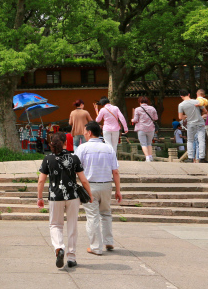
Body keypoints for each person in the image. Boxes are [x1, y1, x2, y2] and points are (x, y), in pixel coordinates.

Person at [35, 132, 93, 269]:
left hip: (55, 196)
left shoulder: (48, 159)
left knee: (55, 224)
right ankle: (71, 257)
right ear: (66, 143)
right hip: (72, 197)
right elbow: (83, 180)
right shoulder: (74, 157)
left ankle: (59, 247)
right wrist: (90, 195)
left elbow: (41, 180)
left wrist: (39, 198)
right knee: (72, 225)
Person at [74, 121, 122, 256]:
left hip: (89, 186)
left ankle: (95, 247)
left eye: (84, 132)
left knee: (92, 216)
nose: (84, 134)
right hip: (106, 185)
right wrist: (118, 190)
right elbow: (116, 172)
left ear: (89, 133)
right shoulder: (109, 148)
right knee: (106, 213)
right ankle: (108, 241)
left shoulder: (82, 149)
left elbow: (75, 169)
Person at [177, 90, 205, 163]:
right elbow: (205, 111)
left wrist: (186, 116)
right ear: (189, 94)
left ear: (181, 96)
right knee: (201, 140)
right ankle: (201, 157)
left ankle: (190, 157)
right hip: (200, 123)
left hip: (190, 124)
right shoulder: (196, 102)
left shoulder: (181, 105)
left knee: (190, 140)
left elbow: (180, 117)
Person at [130, 96, 159, 162]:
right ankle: (150, 156)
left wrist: (132, 120)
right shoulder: (152, 108)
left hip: (141, 128)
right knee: (149, 143)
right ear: (147, 102)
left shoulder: (137, 109)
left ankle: (147, 157)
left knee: (143, 144)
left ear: (140, 102)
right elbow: (155, 118)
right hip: (151, 128)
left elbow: (135, 120)